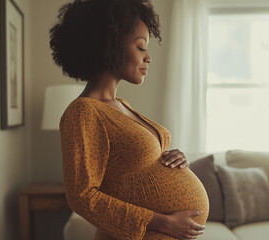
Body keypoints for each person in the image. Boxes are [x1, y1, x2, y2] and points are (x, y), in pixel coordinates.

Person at [50, 0, 209, 239]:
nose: (148, 58)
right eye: (141, 47)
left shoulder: (121, 105)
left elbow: (136, 164)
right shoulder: (83, 112)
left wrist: (174, 157)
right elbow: (82, 197)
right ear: (110, 46)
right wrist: (162, 222)